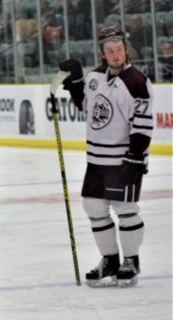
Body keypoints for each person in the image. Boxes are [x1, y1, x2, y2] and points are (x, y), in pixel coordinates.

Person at [60, 25, 154, 288]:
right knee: (93, 207)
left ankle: (131, 260)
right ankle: (110, 259)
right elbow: (88, 108)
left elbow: (143, 123)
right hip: (96, 159)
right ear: (103, 53)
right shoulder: (96, 76)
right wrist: (76, 83)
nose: (116, 55)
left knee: (125, 209)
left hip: (123, 158)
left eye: (119, 50)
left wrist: (136, 156)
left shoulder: (137, 81)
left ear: (126, 50)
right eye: (110, 51)